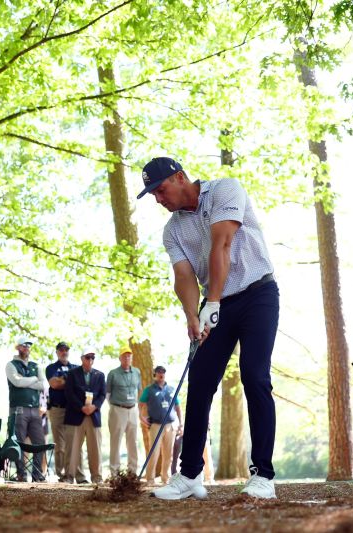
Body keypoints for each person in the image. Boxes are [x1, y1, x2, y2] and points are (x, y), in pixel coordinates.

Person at [137, 157, 280, 499]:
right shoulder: (172, 230)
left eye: (160, 190)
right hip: (217, 304)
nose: (159, 199)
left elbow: (223, 244)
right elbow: (184, 276)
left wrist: (211, 302)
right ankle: (189, 477)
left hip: (258, 294)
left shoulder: (225, 189)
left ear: (180, 177)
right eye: (153, 195)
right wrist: (192, 315)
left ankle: (263, 475)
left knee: (255, 376)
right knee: (199, 382)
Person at [45, 341, 88, 483]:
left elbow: (81, 385)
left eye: (66, 350)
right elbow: (54, 384)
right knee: (61, 445)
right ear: (57, 352)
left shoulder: (75, 367)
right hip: (57, 409)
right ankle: (63, 474)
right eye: (61, 350)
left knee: (76, 444)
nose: (64, 352)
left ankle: (78, 475)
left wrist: (65, 381)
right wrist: (70, 382)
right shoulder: (51, 367)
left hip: (73, 410)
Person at [6, 336, 47, 482]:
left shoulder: (36, 366)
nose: (26, 348)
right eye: (24, 346)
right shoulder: (11, 365)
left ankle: (36, 474)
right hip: (18, 409)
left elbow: (43, 385)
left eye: (29, 346)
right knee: (19, 443)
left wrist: (26, 381)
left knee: (40, 442)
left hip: (35, 410)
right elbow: (16, 382)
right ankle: (21, 474)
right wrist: (34, 379)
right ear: (18, 347)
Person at [64, 348, 105, 484]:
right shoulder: (72, 374)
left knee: (95, 449)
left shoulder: (100, 375)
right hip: (76, 415)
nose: (90, 360)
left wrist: (94, 407)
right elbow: (69, 394)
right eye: (87, 357)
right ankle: (69, 477)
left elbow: (102, 395)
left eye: (93, 357)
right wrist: (81, 407)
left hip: (93, 416)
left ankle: (97, 478)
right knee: (72, 448)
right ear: (82, 358)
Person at [139, 365, 182, 485]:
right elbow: (141, 404)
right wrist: (141, 417)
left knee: (169, 453)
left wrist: (181, 424)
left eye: (163, 372)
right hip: (156, 425)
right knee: (154, 452)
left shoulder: (172, 389)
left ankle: (166, 478)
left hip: (171, 425)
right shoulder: (149, 390)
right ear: (155, 375)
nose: (161, 374)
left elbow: (178, 407)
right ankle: (150, 479)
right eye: (158, 372)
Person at [107, 348, 142, 476]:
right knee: (116, 441)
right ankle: (114, 473)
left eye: (129, 356)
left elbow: (139, 390)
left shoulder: (137, 372)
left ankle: (132, 472)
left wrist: (137, 407)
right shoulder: (113, 373)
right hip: (118, 409)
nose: (127, 358)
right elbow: (108, 393)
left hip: (133, 409)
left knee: (133, 441)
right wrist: (114, 407)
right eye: (124, 356)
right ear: (120, 358)